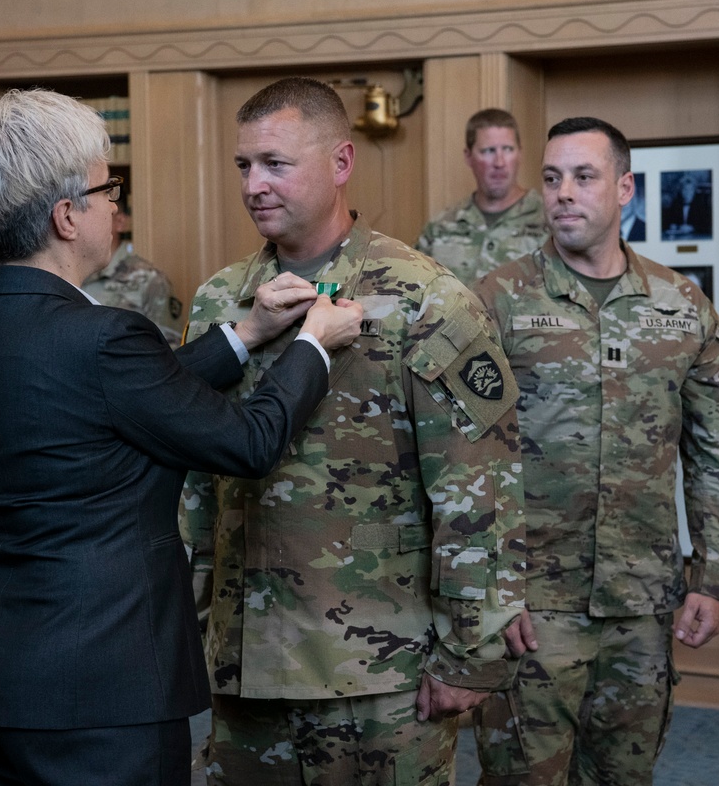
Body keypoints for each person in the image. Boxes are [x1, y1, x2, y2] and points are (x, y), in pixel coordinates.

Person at [0, 87, 363, 786]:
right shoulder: (104, 338)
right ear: (66, 216)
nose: (116, 205)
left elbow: (111, 408)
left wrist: (245, 334)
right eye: (109, 188)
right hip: (102, 691)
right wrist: (313, 345)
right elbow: (247, 445)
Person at [180, 76, 529, 785]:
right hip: (246, 662)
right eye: (244, 165)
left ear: (340, 163)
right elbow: (195, 484)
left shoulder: (425, 298)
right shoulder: (223, 299)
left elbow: (476, 487)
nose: (254, 184)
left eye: (276, 163)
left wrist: (472, 654)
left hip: (380, 676)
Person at [470, 116, 719, 786]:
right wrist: (485, 591)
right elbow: (460, 456)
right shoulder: (497, 301)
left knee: (624, 778)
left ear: (625, 188)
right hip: (533, 605)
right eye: (553, 177)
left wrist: (714, 575)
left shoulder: (680, 306)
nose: (563, 192)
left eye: (584, 176)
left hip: (641, 607)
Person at [416, 108, 546, 284]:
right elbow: (413, 292)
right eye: (488, 151)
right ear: (468, 157)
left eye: (507, 149)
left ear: (520, 153)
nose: (499, 163)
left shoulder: (548, 222)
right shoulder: (441, 227)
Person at [82, 196, 183, 346]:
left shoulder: (150, 279)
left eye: (93, 213)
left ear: (120, 222)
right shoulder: (73, 274)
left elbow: (169, 352)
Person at [661, 170, 713, 240]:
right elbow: (666, 221)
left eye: (690, 190)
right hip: (679, 239)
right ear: (681, 191)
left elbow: (708, 226)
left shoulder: (702, 205)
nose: (687, 193)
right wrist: (673, 225)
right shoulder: (676, 204)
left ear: (694, 191)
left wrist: (692, 228)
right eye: (685, 189)